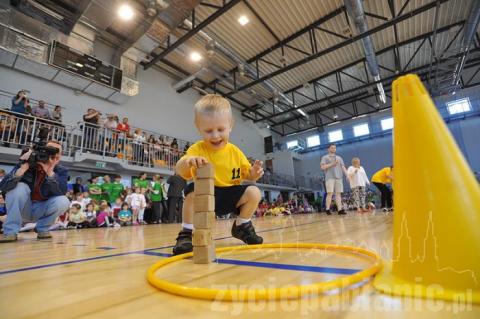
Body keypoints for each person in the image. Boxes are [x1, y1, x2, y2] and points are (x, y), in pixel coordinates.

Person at [172, 94, 264, 255]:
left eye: (220, 129)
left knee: (254, 192)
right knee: (191, 193)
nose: (215, 136)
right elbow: (180, 169)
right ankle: (186, 233)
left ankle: (242, 225)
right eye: (208, 131)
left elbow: (249, 176)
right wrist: (189, 161)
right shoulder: (197, 149)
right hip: (206, 194)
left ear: (230, 126)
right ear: (198, 127)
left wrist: (255, 173)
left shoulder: (235, 151)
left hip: (230, 196)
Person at [0, 140, 70, 242]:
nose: (52, 154)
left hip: (41, 209)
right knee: (19, 187)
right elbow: (3, 187)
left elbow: (61, 192)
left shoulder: (61, 170)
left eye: (56, 152)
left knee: (64, 201)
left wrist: (50, 172)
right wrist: (21, 169)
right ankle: (10, 232)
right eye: (49, 150)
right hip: (24, 207)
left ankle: (42, 229)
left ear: (59, 157)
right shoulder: (28, 164)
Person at [320, 144, 348, 215]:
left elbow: (343, 167)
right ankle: (327, 209)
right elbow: (322, 167)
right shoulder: (325, 157)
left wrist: (347, 175)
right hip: (329, 177)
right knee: (330, 193)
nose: (334, 149)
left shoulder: (339, 158)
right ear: (328, 149)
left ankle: (340, 210)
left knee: (338, 194)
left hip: (339, 177)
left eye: (335, 148)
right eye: (332, 148)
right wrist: (332, 164)